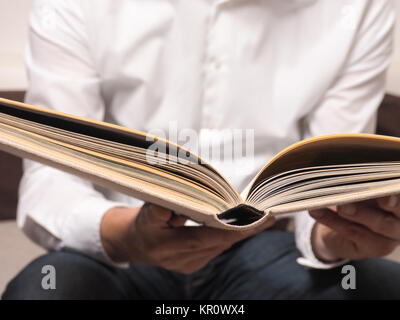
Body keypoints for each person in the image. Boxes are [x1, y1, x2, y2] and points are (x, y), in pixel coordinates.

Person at [3, 0, 400, 299]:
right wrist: (127, 236)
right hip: (121, 247)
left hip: (267, 247)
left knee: (379, 285)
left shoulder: (361, 7)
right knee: (47, 289)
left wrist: (337, 236)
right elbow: (51, 179)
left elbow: (330, 177)